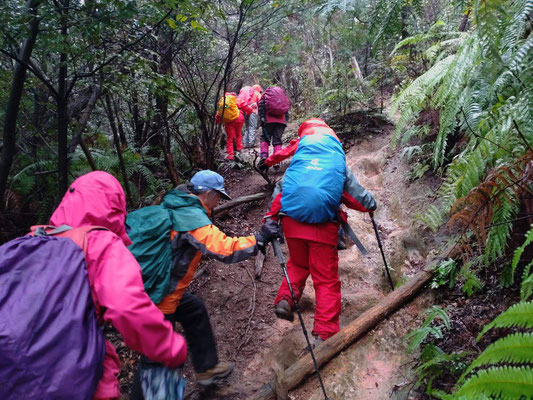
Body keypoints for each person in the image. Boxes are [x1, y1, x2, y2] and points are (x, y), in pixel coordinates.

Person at [0, 171, 187, 400]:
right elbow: (127, 307)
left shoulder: (28, 241)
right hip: (69, 378)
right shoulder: (100, 243)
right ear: (116, 208)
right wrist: (170, 348)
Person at [128, 170, 280, 393]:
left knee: (194, 309)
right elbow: (224, 249)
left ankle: (207, 370)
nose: (218, 202)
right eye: (218, 197)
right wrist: (258, 239)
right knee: (157, 359)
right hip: (159, 298)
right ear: (208, 194)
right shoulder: (192, 219)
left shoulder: (176, 205)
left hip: (155, 288)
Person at [265, 119, 377, 344]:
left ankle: (285, 300)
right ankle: (324, 334)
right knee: (325, 280)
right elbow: (353, 195)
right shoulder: (335, 162)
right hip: (322, 228)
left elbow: (282, 190)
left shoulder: (300, 159)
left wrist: (270, 218)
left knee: (298, 264)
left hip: (291, 224)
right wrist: (371, 205)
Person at [258, 86, 290, 168]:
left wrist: (262, 118)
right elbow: (286, 109)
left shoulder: (265, 95)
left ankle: (264, 157)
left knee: (264, 138)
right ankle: (276, 160)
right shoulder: (283, 96)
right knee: (277, 141)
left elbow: (261, 106)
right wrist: (285, 120)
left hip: (268, 121)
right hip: (281, 121)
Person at [216, 92, 252, 161]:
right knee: (238, 134)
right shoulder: (237, 99)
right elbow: (247, 108)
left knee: (230, 138)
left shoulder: (223, 102)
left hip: (229, 121)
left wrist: (217, 121)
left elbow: (219, 113)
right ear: (234, 95)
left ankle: (230, 155)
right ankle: (238, 151)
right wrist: (250, 112)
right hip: (239, 118)